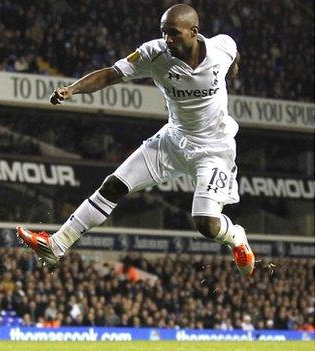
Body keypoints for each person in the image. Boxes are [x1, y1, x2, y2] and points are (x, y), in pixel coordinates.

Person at [17, 4, 255, 277]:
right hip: (173, 139)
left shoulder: (221, 48)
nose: (168, 40)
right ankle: (57, 244)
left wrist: (233, 68)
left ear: (194, 32)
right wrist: (73, 89)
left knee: (205, 223)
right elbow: (111, 73)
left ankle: (236, 237)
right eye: (164, 33)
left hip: (214, 148)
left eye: (174, 34)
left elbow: (234, 54)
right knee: (114, 185)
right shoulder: (154, 54)